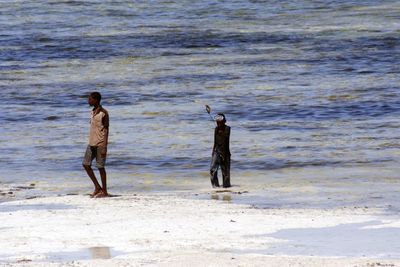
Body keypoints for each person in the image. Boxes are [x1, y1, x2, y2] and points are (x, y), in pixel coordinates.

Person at [82, 92, 110, 198]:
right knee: (86, 164)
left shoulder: (104, 113)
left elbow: (106, 130)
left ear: (96, 100)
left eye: (90, 99)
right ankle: (97, 187)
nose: (88, 101)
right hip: (91, 143)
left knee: (100, 167)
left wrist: (104, 146)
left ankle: (105, 191)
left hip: (100, 144)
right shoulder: (92, 111)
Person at [210, 113, 231, 188]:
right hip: (217, 151)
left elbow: (225, 140)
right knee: (213, 169)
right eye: (217, 121)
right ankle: (215, 187)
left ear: (224, 121)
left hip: (225, 152)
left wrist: (224, 155)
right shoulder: (216, 129)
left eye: (220, 121)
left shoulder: (227, 128)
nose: (218, 123)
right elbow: (215, 141)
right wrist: (213, 152)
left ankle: (226, 187)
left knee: (225, 172)